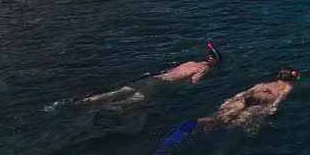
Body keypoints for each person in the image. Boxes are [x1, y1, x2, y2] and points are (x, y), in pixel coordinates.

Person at [79, 43, 223, 105]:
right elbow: (193, 83)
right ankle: (106, 108)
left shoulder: (190, 62)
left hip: (154, 77)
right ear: (215, 62)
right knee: (133, 101)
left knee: (120, 91)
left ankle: (89, 100)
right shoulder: (203, 69)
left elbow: (170, 70)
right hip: (162, 83)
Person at [196, 66, 299, 131]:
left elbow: (250, 90)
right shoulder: (288, 86)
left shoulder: (267, 83)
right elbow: (281, 96)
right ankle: (216, 127)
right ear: (291, 78)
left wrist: (235, 97)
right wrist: (273, 107)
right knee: (238, 123)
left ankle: (202, 122)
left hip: (249, 96)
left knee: (222, 115)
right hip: (261, 103)